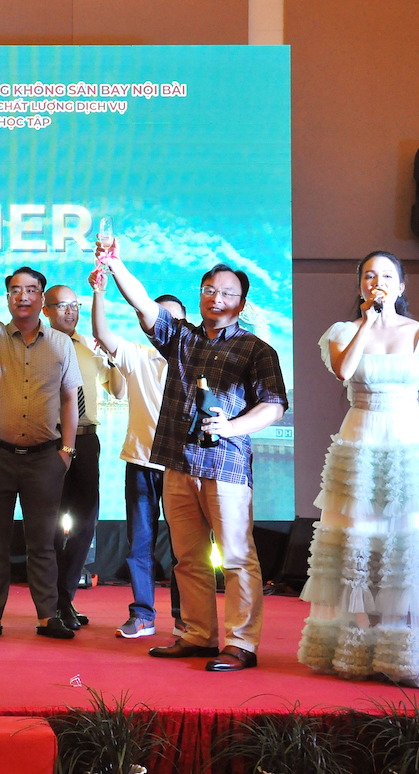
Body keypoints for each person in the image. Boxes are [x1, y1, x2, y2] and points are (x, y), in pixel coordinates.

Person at [99, 248, 287, 671]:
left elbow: (274, 406)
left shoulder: (256, 350)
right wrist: (114, 264)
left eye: (227, 292)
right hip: (178, 464)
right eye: (209, 290)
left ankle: (241, 644)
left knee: (237, 558)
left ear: (242, 302)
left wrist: (231, 427)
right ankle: (199, 635)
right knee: (188, 558)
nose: (216, 298)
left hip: (226, 466)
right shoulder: (181, 337)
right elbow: (143, 305)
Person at [298, 251, 419, 688]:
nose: (377, 282)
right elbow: (344, 370)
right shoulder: (343, 331)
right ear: (361, 285)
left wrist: (402, 417)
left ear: (401, 285)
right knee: (362, 537)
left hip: (410, 442)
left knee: (408, 540)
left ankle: (409, 651)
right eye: (369, 276)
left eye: (387, 276)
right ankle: (361, 649)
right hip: (361, 438)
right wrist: (368, 322)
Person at [0, 251, 82, 641]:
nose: (23, 296)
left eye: (31, 290)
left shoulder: (61, 344)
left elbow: (70, 398)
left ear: (42, 298)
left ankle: (47, 616)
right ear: (8, 298)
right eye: (15, 290)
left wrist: (67, 451)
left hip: (45, 458)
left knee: (43, 543)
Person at [90, 282, 187, 639]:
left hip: (182, 467)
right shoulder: (137, 356)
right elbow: (101, 333)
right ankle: (143, 615)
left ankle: (185, 618)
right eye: (157, 317)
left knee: (185, 548)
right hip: (141, 462)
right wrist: (99, 292)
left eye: (173, 320)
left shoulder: (195, 361)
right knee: (140, 544)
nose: (165, 325)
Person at [42, 284, 125, 630]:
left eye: (74, 305)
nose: (70, 311)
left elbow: (118, 390)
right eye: (62, 306)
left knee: (86, 522)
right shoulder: (40, 345)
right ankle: (56, 602)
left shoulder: (89, 348)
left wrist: (111, 357)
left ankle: (64, 599)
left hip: (86, 441)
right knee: (49, 525)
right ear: (46, 310)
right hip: (50, 441)